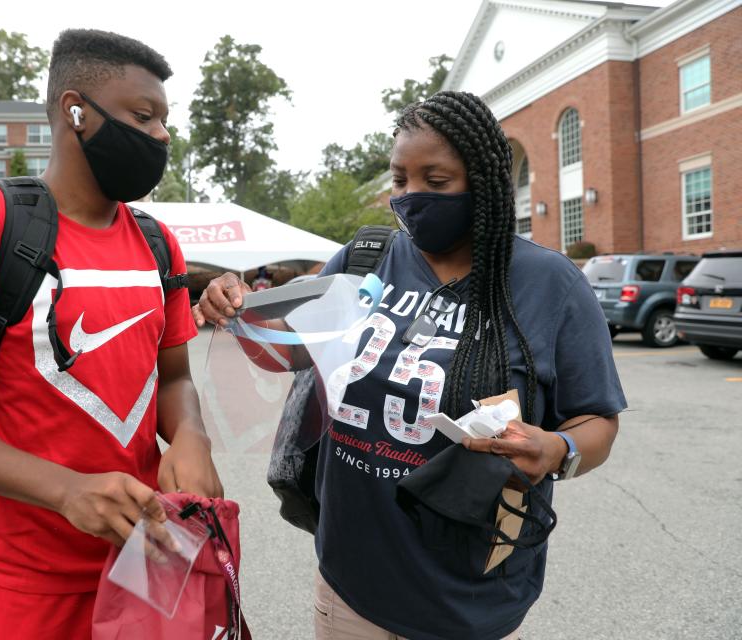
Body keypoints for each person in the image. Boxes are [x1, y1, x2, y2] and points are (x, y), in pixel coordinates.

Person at [193, 90, 624, 640]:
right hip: (353, 587)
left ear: (484, 184)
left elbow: (598, 422)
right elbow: (294, 351)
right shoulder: (365, 257)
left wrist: (556, 450)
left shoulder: (549, 284)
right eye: (400, 180)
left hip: (468, 599)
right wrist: (239, 317)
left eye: (436, 182)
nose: (411, 196)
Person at [0, 29, 222, 639]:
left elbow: (173, 378)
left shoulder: (157, 242)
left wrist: (190, 436)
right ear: (75, 111)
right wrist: (66, 490)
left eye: (165, 120)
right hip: (24, 583)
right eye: (143, 116)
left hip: (147, 563)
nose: (162, 136)